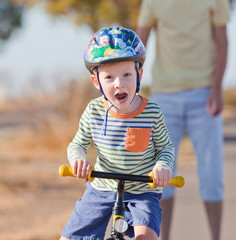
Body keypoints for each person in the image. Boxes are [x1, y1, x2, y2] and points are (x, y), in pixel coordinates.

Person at [60, 26, 175, 240]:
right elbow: (77, 144)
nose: (119, 83)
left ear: (139, 75)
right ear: (97, 81)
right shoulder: (93, 110)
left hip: (143, 190)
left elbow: (165, 147)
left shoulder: (152, 112)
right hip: (101, 188)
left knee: (145, 237)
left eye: (127, 75)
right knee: (70, 237)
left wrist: (162, 167)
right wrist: (78, 160)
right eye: (109, 77)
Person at [136, 0, 230, 239]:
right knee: (161, 173)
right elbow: (139, 45)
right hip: (164, 97)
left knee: (212, 174)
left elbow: (223, 42)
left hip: (204, 94)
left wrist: (217, 89)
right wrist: (131, 91)